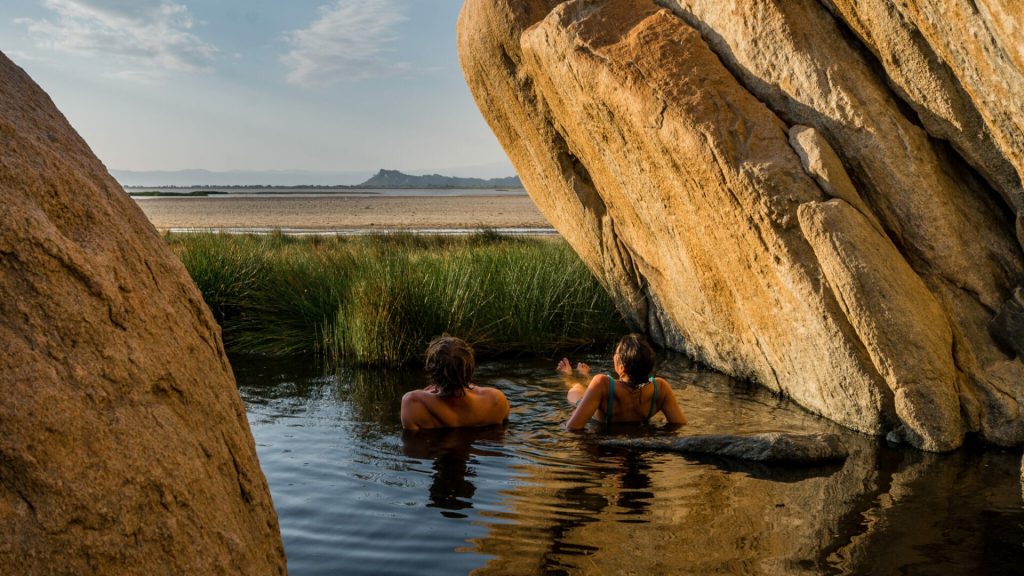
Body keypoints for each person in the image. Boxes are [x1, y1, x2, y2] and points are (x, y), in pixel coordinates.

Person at [559, 333, 687, 430]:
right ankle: (584, 375)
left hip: (591, 405)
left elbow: (571, 428)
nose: (614, 356)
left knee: (575, 388)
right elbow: (679, 425)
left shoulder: (602, 383)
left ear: (622, 367)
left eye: (616, 354)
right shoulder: (660, 387)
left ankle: (569, 374)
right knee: (586, 388)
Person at [401, 336, 510, 432]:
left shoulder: (413, 403)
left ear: (432, 371)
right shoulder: (496, 400)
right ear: (469, 370)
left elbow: (414, 452)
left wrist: (423, 395)